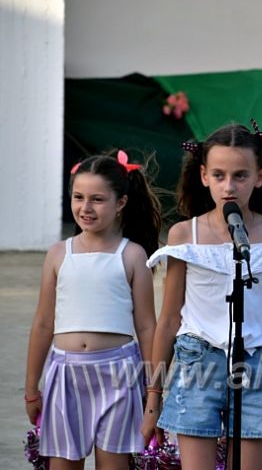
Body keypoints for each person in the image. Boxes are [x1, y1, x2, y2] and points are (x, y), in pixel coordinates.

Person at [142, 123, 262, 470]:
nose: (229, 186)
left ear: (260, 176)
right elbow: (170, 319)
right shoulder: (184, 233)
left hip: (257, 365)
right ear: (204, 176)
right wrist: (153, 396)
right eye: (218, 175)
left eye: (240, 175)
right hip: (197, 362)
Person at [24, 151, 161, 469]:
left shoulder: (133, 255)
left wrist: (153, 391)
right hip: (65, 375)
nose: (85, 208)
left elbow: (147, 327)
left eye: (97, 199)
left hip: (119, 376)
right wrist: (32, 389)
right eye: (78, 197)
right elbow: (44, 323)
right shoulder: (58, 254)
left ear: (121, 203)